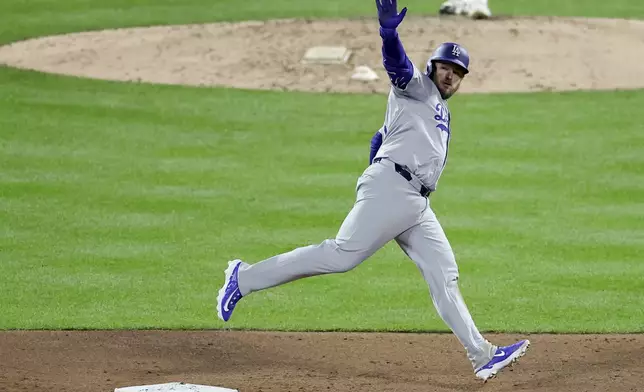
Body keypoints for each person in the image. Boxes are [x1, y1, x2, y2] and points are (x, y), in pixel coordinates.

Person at [216, 0, 529, 382]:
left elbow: (383, 136)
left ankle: (482, 354)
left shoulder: (439, 110)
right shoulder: (417, 87)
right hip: (393, 191)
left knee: (444, 274)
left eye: (458, 73)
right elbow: (396, 66)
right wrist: (388, 33)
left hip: (414, 203)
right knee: (339, 256)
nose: (451, 76)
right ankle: (243, 278)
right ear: (432, 67)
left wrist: (381, 147)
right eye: (446, 67)